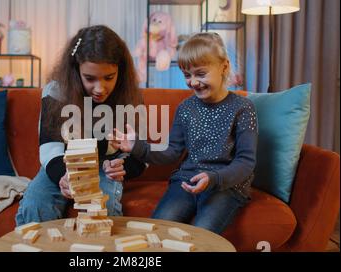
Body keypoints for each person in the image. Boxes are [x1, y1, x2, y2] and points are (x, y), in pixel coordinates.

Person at [110, 32, 258, 234]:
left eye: (201, 74)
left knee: (202, 232)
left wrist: (213, 178)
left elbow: (246, 162)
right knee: (158, 230)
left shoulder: (242, 108)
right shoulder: (186, 108)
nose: (193, 82)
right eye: (187, 75)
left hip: (226, 186)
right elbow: (171, 152)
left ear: (224, 66)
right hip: (187, 181)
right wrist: (136, 146)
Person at [15, 25, 146, 226]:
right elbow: (50, 148)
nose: (100, 89)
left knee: (104, 209)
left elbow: (142, 152)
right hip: (65, 162)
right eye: (90, 78)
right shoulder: (56, 91)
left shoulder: (129, 93)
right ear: (75, 71)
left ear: (120, 70)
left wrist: (125, 167)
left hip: (106, 163)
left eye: (109, 77)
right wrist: (63, 176)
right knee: (35, 205)